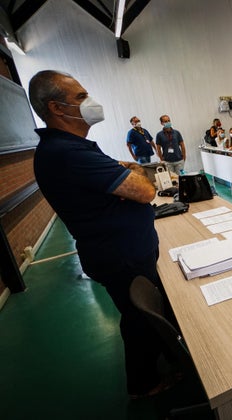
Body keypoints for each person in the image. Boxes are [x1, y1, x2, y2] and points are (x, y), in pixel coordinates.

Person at [29, 70, 171, 398]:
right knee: (139, 320)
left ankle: (151, 371)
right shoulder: (68, 152)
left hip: (121, 249)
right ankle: (145, 385)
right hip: (119, 254)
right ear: (57, 108)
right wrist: (133, 179)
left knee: (142, 316)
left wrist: (127, 176)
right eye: (80, 97)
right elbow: (144, 190)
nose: (90, 101)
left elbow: (126, 175)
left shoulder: (72, 148)